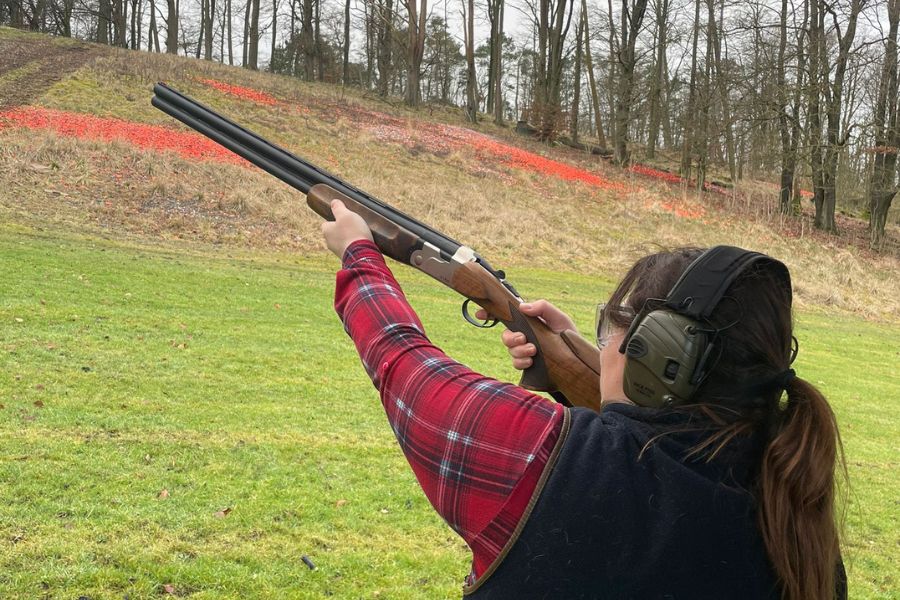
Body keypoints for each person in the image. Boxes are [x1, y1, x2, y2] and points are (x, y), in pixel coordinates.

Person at [321, 199, 846, 599]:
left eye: (610, 329)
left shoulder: (550, 457)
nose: (603, 345)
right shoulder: (795, 513)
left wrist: (358, 253)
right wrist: (568, 367)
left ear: (655, 355)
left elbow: (403, 365)